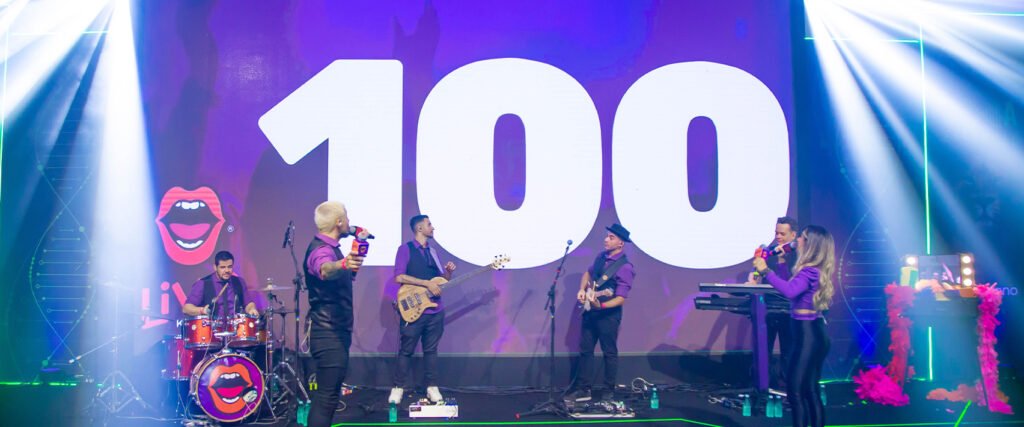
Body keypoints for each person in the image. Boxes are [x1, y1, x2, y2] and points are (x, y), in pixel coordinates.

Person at [753, 225, 834, 427]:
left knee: (796, 391)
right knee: (809, 389)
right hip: (812, 333)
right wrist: (780, 262)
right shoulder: (811, 270)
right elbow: (790, 284)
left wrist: (765, 270)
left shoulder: (809, 271)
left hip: (809, 335)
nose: (797, 240)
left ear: (810, 244)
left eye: (801, 237)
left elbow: (789, 291)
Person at [304, 201, 367, 427]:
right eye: (346, 217)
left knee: (329, 396)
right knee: (326, 397)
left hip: (335, 330)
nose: (349, 221)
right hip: (327, 332)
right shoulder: (321, 250)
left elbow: (344, 272)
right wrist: (340, 264)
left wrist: (358, 238)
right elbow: (324, 268)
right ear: (338, 222)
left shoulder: (331, 245)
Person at [389, 214, 456, 405]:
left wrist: (448, 274)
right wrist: (425, 283)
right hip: (413, 310)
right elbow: (399, 277)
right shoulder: (405, 249)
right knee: (406, 351)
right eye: (429, 224)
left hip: (435, 311)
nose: (433, 228)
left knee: (431, 350)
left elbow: (439, 284)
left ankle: (432, 387)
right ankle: (398, 387)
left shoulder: (433, 252)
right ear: (419, 228)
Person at [568, 223, 636, 402]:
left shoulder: (625, 267)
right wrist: (582, 289)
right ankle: (584, 388)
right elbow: (588, 274)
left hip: (608, 315)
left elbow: (621, 298)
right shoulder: (600, 257)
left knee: (609, 352)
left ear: (621, 243)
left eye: (611, 237)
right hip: (591, 312)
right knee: (586, 351)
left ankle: (608, 390)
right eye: (607, 236)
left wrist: (603, 306)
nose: (606, 239)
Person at [747, 216, 799, 388]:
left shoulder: (800, 255)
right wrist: (753, 279)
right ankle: (764, 386)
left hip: (789, 309)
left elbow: (787, 284)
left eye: (782, 234)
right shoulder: (768, 251)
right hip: (768, 308)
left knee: (788, 351)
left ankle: (787, 388)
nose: (778, 237)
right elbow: (756, 274)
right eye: (776, 232)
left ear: (793, 235)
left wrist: (782, 261)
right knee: (764, 350)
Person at [183, 250, 260, 318]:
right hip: (211, 331)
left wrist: (251, 309)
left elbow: (248, 303)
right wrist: (202, 310)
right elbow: (186, 308)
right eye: (222, 267)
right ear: (215, 267)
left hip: (236, 329)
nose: (227, 270)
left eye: (229, 267)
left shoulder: (239, 282)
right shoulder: (203, 283)